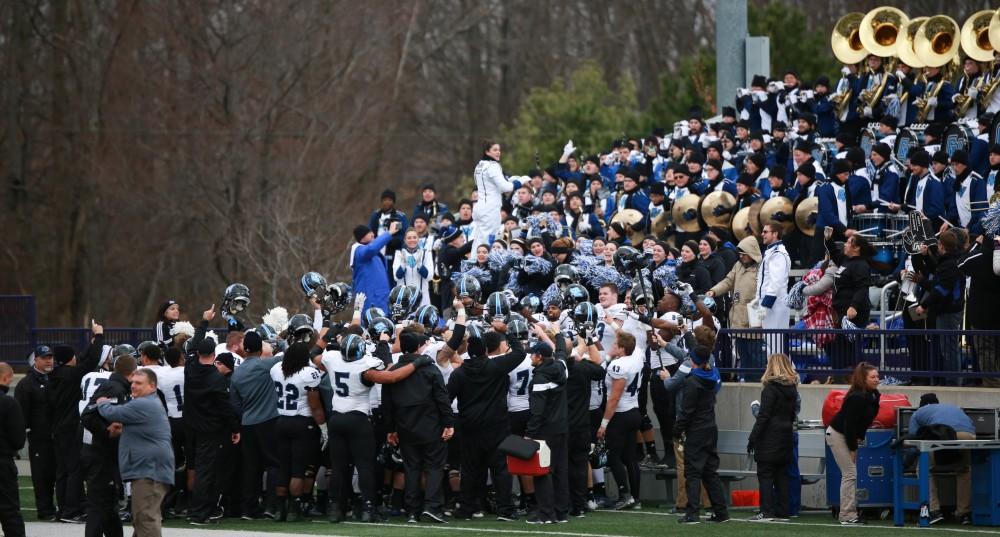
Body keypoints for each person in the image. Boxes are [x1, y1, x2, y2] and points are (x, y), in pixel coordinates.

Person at [447, 319, 525, 521]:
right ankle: (505, 509)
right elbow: (520, 353)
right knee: (500, 469)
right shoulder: (496, 366)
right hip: (496, 425)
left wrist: (448, 423)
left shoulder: (459, 373)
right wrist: (507, 332)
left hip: (470, 426)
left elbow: (446, 399)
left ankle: (467, 508)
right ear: (485, 351)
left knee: (471, 470)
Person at [382, 323, 455, 523]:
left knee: (411, 467)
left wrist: (390, 429)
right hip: (430, 425)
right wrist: (449, 422)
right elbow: (442, 398)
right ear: (417, 346)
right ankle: (432, 506)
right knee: (434, 467)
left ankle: (412, 509)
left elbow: (386, 404)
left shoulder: (394, 370)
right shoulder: (429, 368)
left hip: (405, 426)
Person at [96, 368, 175, 537]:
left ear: (152, 386)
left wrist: (102, 401)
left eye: (139, 383)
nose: (133, 386)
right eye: (132, 382)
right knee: (142, 519)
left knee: (145, 518)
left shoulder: (143, 403)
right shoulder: (149, 402)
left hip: (149, 471)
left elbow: (112, 412)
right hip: (150, 469)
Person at [185, 306, 241, 525]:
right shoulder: (216, 379)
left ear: (199, 353)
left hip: (191, 425)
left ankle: (191, 508)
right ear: (214, 355)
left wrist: (204, 321)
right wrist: (235, 429)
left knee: (193, 467)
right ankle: (199, 513)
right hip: (209, 429)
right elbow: (225, 408)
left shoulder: (190, 367)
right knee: (205, 471)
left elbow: (192, 346)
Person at [80, 353, 137, 537]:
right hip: (102, 455)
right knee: (98, 504)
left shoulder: (118, 387)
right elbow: (88, 415)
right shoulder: (115, 389)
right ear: (133, 372)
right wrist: (106, 431)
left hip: (107, 455)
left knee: (109, 504)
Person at [229, 331, 281, 519]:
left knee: (251, 467)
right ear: (260, 348)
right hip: (268, 420)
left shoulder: (237, 373)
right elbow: (284, 354)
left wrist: (245, 415)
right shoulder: (265, 365)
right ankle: (271, 505)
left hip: (247, 423)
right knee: (273, 464)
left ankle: (249, 508)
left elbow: (234, 403)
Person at [674, 345, 728, 524]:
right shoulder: (712, 376)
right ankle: (721, 512)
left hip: (696, 430)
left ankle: (692, 512)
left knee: (693, 472)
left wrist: (677, 430)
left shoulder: (692, 381)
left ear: (693, 360)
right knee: (710, 472)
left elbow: (686, 410)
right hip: (710, 428)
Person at [906, 393, 975, 525]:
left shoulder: (918, 413)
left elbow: (914, 442)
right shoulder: (953, 408)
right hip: (967, 435)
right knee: (964, 470)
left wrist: (906, 462)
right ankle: (964, 514)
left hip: (943, 434)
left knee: (924, 468)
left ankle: (933, 511)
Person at [524, 330, 571, 524]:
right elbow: (560, 353)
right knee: (560, 471)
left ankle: (546, 514)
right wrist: (558, 334)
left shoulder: (540, 379)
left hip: (545, 431)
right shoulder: (560, 368)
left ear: (539, 357)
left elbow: (537, 411)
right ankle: (561, 513)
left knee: (542, 473)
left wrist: (529, 434)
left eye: (533, 354)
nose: (530, 357)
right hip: (561, 428)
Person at [826, 362, 880, 525]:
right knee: (850, 473)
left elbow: (864, 423)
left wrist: (859, 439)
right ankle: (847, 515)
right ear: (863, 379)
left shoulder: (874, 395)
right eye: (873, 377)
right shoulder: (857, 397)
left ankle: (850, 512)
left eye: (877, 376)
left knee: (851, 473)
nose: (877, 379)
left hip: (848, 435)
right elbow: (849, 425)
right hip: (838, 434)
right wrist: (853, 448)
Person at [747, 354, 799, 522]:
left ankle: (766, 511)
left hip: (770, 436)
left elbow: (764, 416)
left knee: (766, 475)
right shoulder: (792, 389)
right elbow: (792, 415)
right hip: (786, 434)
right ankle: (783, 510)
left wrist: (753, 438)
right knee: (782, 475)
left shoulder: (769, 389)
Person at [596, 331, 643, 511]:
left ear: (622, 348)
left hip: (621, 414)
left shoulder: (618, 365)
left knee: (614, 456)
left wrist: (604, 424)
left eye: (616, 345)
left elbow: (614, 399)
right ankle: (635, 498)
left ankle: (625, 494)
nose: (612, 346)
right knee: (630, 457)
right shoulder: (636, 358)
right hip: (634, 411)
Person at [708, 236, 763, 374]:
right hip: (738, 319)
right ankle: (745, 381)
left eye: (744, 254)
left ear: (752, 253)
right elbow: (728, 282)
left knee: (756, 358)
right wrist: (713, 291)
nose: (741, 256)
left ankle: (757, 384)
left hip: (754, 320)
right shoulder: (737, 266)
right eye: (740, 253)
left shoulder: (762, 267)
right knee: (743, 358)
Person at [15, 345, 57, 521]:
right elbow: (21, 414)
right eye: (44, 357)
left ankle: (58, 507)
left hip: (57, 436)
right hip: (39, 437)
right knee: (42, 475)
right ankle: (45, 510)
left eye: (50, 357)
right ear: (36, 360)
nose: (49, 360)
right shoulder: (26, 384)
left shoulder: (56, 379)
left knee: (57, 473)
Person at [473, 140, 523, 250]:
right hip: (490, 208)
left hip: (479, 206)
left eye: (499, 150)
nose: (498, 152)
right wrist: (521, 181)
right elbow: (505, 188)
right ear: (487, 152)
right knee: (488, 239)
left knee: (478, 239)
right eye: (495, 150)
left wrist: (509, 181)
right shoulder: (493, 165)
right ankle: (484, 266)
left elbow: (489, 186)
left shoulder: (479, 165)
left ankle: (473, 263)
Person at [351, 220, 401, 313]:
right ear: (361, 239)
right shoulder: (359, 251)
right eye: (368, 233)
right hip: (371, 300)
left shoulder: (374, 254)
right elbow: (371, 248)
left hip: (382, 300)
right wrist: (389, 233)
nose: (372, 234)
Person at [0, 362, 26, 537]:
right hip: (2, 464)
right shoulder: (8, 403)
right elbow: (18, 440)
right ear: (5, 377)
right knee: (9, 513)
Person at [758, 223, 791, 356]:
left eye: (766, 232)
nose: (762, 234)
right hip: (772, 304)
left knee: (776, 346)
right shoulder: (772, 252)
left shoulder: (778, 253)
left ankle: (783, 375)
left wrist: (764, 306)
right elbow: (764, 282)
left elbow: (775, 283)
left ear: (775, 234)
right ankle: (782, 374)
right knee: (772, 345)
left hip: (775, 305)